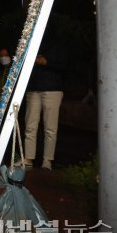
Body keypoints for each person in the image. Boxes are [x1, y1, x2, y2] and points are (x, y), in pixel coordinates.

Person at [23, 30, 67, 171]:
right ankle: (28, 159)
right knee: (30, 126)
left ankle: (47, 161)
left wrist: (47, 62)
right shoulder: (30, 38)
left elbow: (65, 65)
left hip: (52, 89)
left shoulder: (58, 42)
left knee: (50, 128)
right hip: (34, 88)